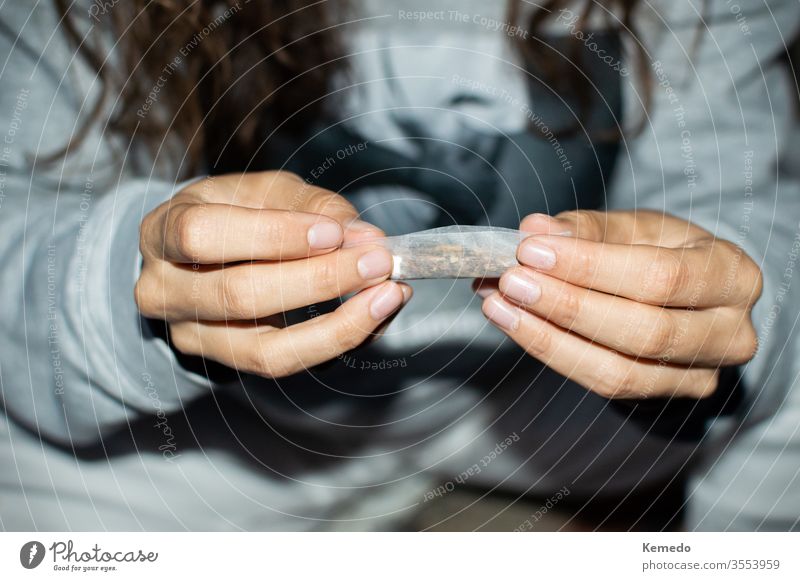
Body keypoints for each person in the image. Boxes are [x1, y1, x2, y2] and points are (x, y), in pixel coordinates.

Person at [0, 0, 798, 531]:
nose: (473, 110)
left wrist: (708, 304)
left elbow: (733, 201)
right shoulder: (73, 20)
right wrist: (136, 291)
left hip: (540, 409)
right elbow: (19, 256)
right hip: (209, 448)